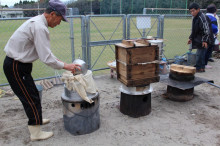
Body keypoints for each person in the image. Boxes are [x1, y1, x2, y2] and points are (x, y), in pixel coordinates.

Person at [3, 0, 81, 141]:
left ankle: (37, 119)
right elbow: (46, 58)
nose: (59, 23)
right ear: (52, 14)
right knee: (30, 97)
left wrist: (64, 64)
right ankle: (36, 132)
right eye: (60, 19)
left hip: (20, 65)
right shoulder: (40, 27)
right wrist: (66, 66)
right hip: (16, 66)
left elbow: (47, 54)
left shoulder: (38, 22)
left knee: (32, 93)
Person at [187, 3, 213, 73]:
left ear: (198, 9)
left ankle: (200, 68)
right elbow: (194, 29)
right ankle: (200, 67)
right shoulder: (195, 18)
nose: (192, 13)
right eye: (191, 11)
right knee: (200, 53)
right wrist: (191, 38)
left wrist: (205, 40)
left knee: (200, 53)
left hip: (204, 38)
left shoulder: (202, 17)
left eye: (193, 11)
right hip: (199, 38)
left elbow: (206, 30)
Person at [205, 4, 218, 69]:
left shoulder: (203, 16)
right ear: (214, 11)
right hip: (210, 37)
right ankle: (205, 64)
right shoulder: (213, 18)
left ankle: (201, 63)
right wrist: (216, 33)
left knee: (203, 50)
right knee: (208, 50)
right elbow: (214, 29)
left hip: (202, 36)